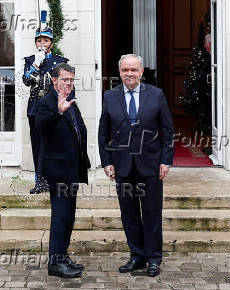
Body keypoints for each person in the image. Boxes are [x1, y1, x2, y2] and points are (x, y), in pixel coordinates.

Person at [98, 54, 174, 277]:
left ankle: (153, 258)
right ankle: (137, 256)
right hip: (122, 165)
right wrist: (107, 162)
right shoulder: (110, 96)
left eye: (133, 70)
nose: (129, 74)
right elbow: (104, 132)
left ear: (141, 72)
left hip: (150, 164)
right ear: (119, 72)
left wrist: (166, 160)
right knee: (129, 213)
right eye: (125, 70)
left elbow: (168, 130)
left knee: (151, 213)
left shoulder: (156, 94)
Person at [34, 63, 90, 278]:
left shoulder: (69, 100)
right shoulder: (48, 100)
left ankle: (62, 256)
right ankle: (55, 263)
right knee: (60, 216)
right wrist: (57, 112)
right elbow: (40, 126)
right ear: (54, 80)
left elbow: (77, 131)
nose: (69, 83)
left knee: (68, 215)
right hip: (57, 170)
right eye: (65, 79)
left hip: (71, 168)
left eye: (71, 80)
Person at [22, 26, 69, 194]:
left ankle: (56, 180)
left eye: (46, 40)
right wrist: (36, 63)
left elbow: (66, 83)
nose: (42, 43)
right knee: (38, 145)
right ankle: (40, 181)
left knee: (56, 143)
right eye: (39, 40)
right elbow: (27, 81)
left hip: (53, 106)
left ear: (51, 43)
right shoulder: (30, 60)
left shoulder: (60, 60)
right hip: (36, 107)